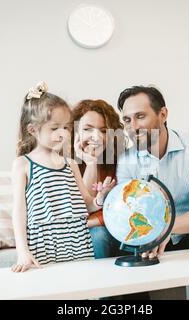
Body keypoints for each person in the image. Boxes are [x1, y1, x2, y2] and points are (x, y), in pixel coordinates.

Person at [116, 85, 189, 259]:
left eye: (140, 116)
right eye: (126, 120)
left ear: (163, 114)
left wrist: (167, 228)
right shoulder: (126, 160)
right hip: (147, 236)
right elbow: (127, 211)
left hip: (187, 234)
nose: (132, 126)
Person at [11, 82, 115, 272]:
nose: (63, 134)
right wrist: (22, 251)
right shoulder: (23, 164)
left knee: (82, 289)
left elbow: (87, 203)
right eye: (54, 128)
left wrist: (100, 199)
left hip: (78, 242)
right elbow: (19, 213)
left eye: (66, 128)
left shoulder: (71, 164)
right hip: (44, 244)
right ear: (32, 130)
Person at [71, 99, 126, 258]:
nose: (96, 137)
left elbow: (124, 209)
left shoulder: (120, 163)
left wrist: (91, 223)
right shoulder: (63, 164)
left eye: (103, 131)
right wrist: (91, 163)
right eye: (88, 129)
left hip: (115, 231)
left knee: (98, 233)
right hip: (85, 235)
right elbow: (81, 211)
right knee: (97, 234)